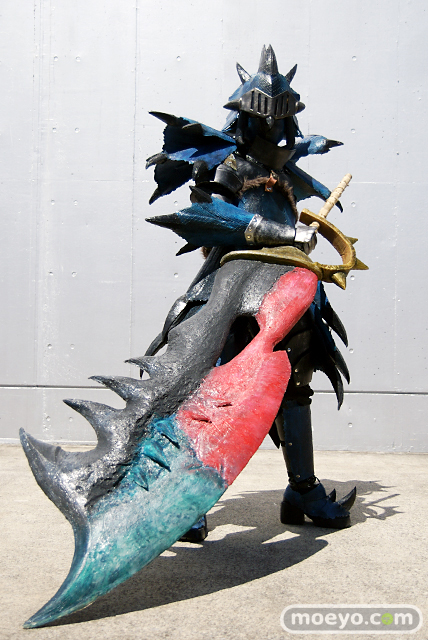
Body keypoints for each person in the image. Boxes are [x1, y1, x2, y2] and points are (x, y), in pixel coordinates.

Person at [145, 45, 356, 540]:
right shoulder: (230, 165)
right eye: (267, 121)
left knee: (294, 384)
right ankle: (191, 497)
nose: (277, 132)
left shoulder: (285, 169)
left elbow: (291, 165)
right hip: (234, 287)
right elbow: (212, 216)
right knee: (212, 383)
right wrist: (285, 233)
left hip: (289, 290)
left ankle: (302, 489)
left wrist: (301, 234)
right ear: (246, 118)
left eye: (284, 123)